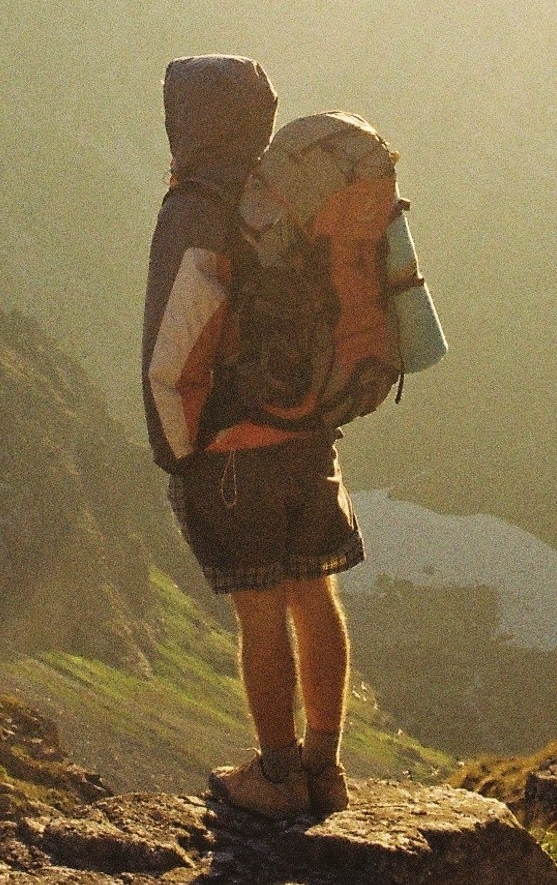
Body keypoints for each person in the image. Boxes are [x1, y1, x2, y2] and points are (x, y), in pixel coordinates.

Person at [142, 55, 366, 818]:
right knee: (315, 588)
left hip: (234, 450)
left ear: (188, 122)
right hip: (309, 433)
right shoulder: (290, 195)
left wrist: (178, 451)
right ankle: (325, 768)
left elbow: (176, 344)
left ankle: (274, 778)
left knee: (260, 608)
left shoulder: (195, 209)